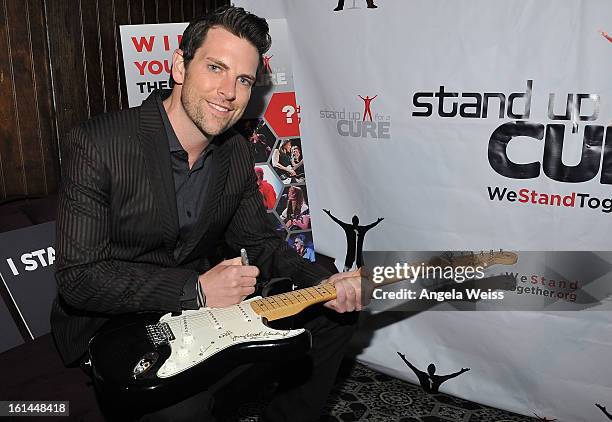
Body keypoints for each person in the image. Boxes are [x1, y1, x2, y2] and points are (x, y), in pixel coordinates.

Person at [51, 6, 365, 422]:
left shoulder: (234, 149)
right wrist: (194, 290)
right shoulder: (98, 144)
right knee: (184, 410)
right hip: (114, 326)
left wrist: (324, 283)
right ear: (180, 66)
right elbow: (79, 278)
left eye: (243, 80)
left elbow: (259, 242)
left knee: (334, 320)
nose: (228, 92)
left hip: (200, 312)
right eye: (215, 68)